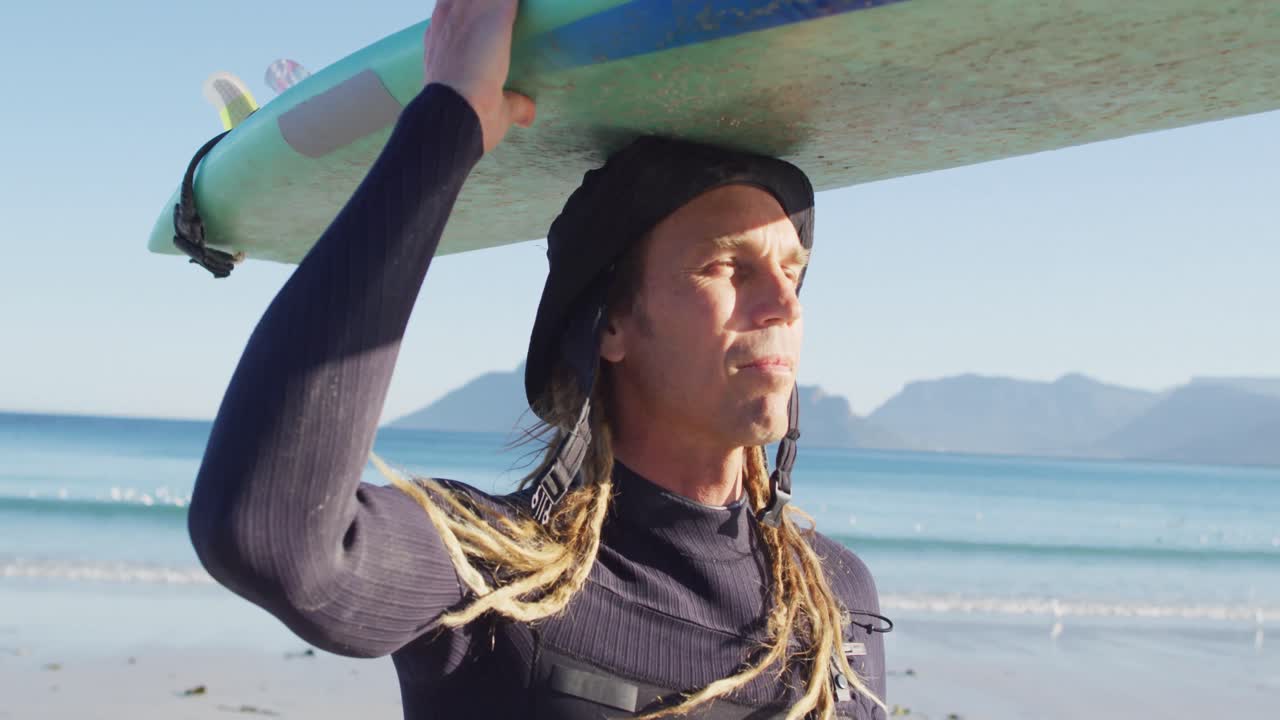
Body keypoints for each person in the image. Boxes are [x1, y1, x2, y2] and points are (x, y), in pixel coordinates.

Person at [187, 1, 888, 717]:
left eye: (792, 272)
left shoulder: (834, 603)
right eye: (727, 268)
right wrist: (445, 123)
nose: (784, 305)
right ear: (610, 323)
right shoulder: (498, 579)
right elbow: (271, 538)